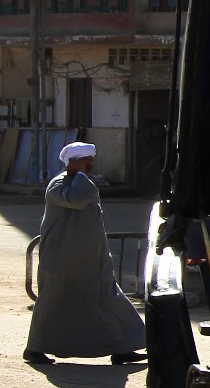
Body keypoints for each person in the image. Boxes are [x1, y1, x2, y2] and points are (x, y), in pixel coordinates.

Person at [24, 141, 146, 366]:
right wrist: (80, 175)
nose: (89, 163)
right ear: (70, 162)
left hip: (94, 259)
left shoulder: (84, 183)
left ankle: (123, 347)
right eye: (83, 159)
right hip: (62, 260)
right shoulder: (58, 185)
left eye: (90, 158)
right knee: (52, 303)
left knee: (112, 301)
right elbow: (76, 199)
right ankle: (34, 348)